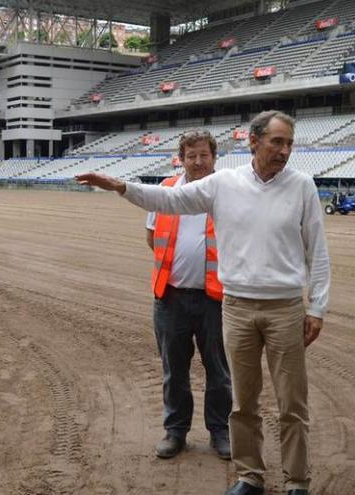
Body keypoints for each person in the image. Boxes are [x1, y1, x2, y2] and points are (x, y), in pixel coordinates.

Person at [77, 110, 330, 495]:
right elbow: (168, 198)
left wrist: (317, 308)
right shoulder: (223, 184)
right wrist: (119, 185)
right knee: (243, 402)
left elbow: (318, 252)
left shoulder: (303, 186)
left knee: (291, 402)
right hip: (237, 307)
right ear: (254, 141)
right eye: (277, 142)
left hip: (284, 308)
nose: (284, 151)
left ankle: (297, 482)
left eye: (289, 143)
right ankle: (250, 477)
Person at [146, 130, 232, 460]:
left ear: (214, 157)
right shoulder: (165, 192)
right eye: (191, 155)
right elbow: (152, 238)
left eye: (204, 155)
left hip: (216, 299)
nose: (197, 161)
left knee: (219, 372)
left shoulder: (226, 193)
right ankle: (176, 431)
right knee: (174, 371)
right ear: (181, 159)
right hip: (170, 298)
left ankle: (220, 430)